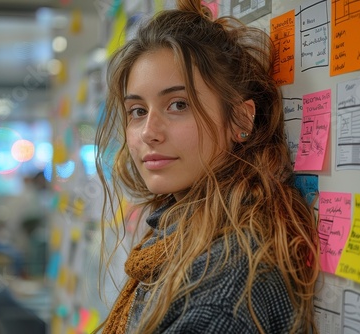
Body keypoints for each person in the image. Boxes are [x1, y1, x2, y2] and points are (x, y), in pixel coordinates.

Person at [94, 1, 320, 333]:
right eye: (138, 111)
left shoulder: (224, 286)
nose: (148, 133)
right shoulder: (175, 238)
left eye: (178, 105)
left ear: (241, 119)